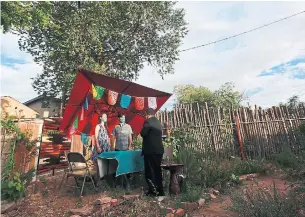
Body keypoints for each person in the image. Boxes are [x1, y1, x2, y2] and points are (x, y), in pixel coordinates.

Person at [140, 108, 165, 197]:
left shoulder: (148, 122)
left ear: (147, 114)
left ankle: (153, 191)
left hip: (150, 151)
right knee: (157, 170)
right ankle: (160, 191)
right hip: (159, 151)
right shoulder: (158, 122)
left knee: (150, 171)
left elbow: (143, 133)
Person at [91, 113, 110, 184]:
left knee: (103, 164)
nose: (106, 118)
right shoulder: (98, 126)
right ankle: (97, 181)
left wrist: (109, 143)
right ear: (100, 118)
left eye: (106, 116)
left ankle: (102, 179)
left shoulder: (106, 127)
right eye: (104, 116)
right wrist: (98, 146)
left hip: (105, 148)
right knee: (98, 164)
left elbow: (107, 137)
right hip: (100, 147)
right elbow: (96, 137)